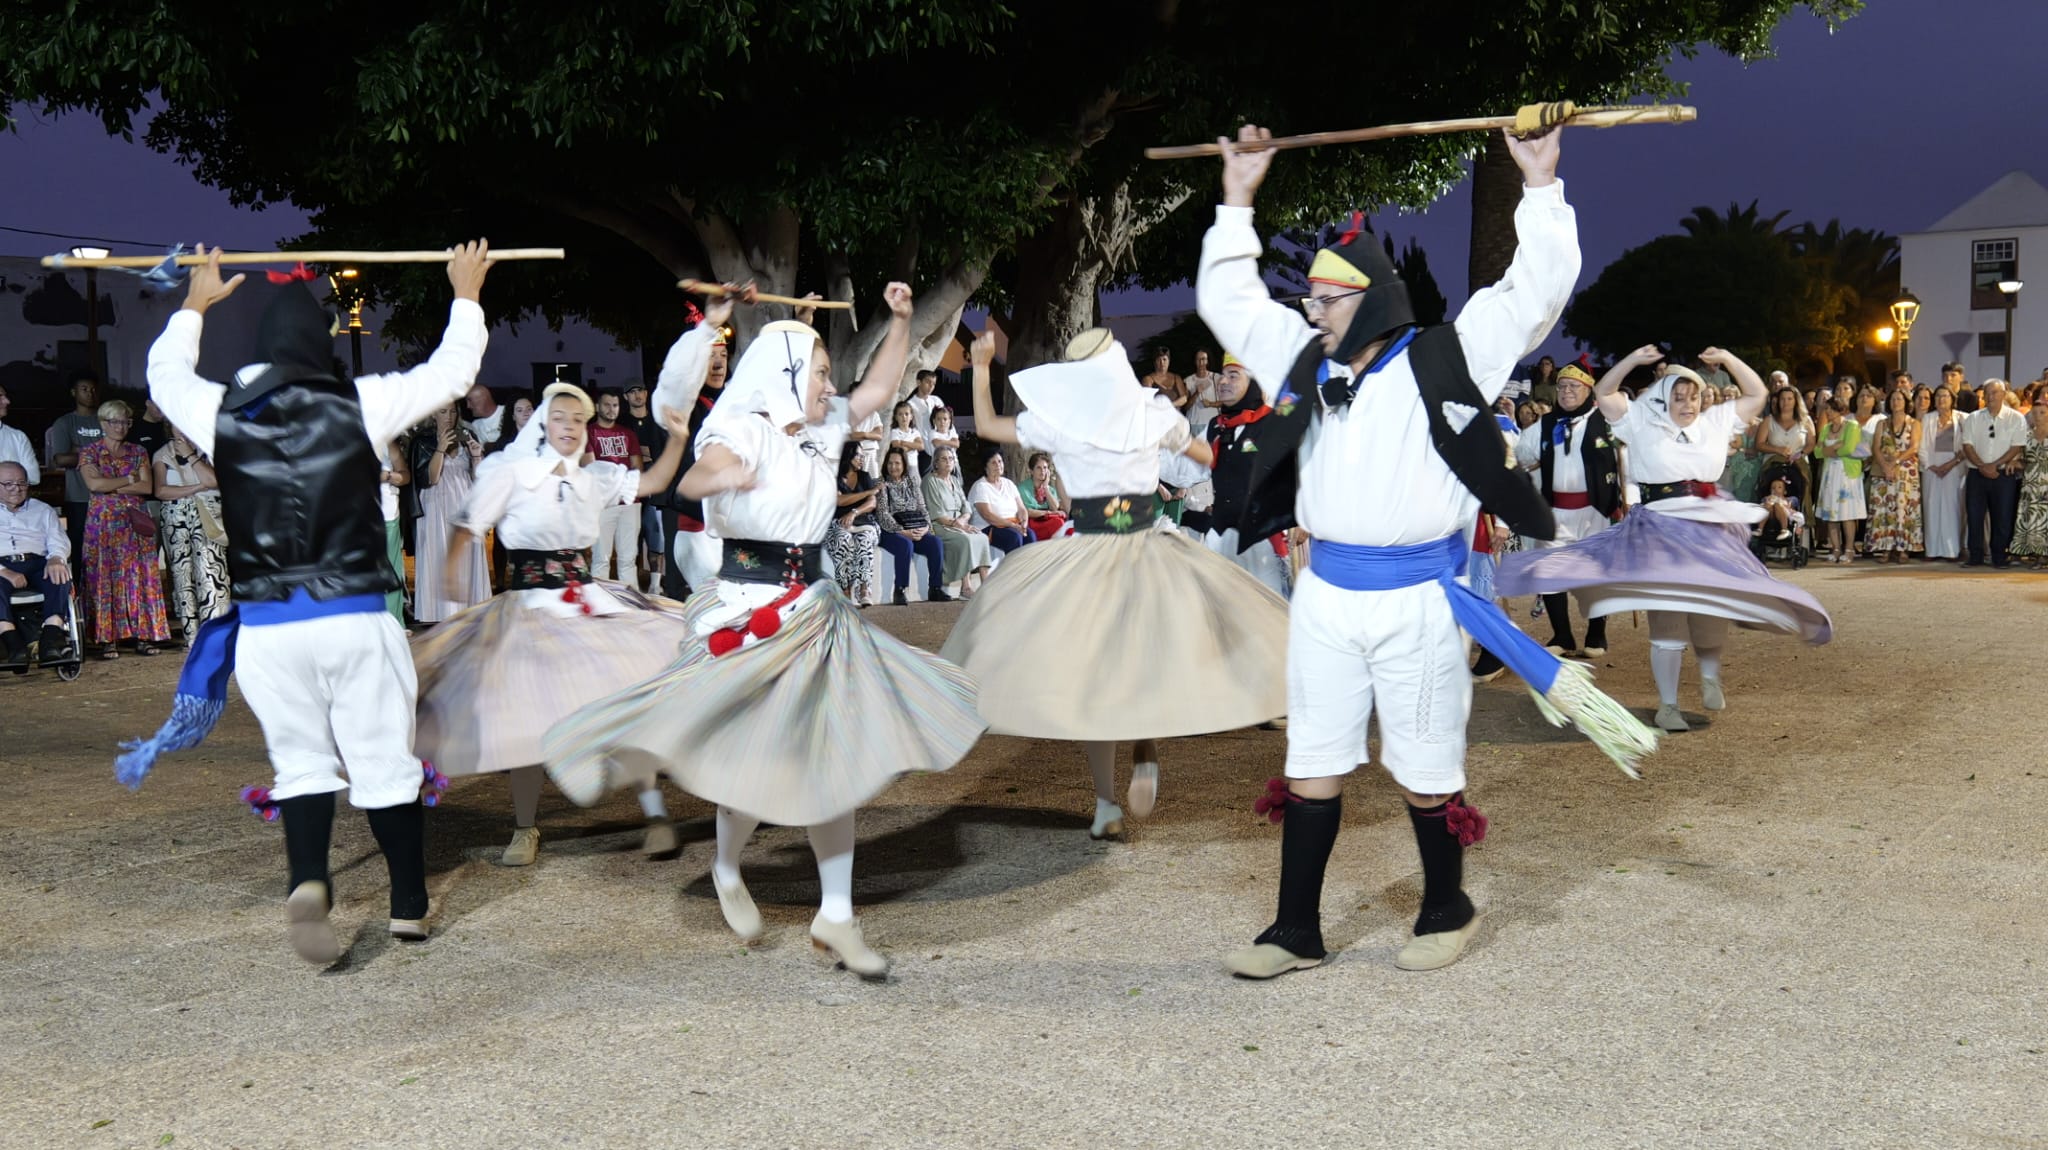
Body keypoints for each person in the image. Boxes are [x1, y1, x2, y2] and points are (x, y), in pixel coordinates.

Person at [1196, 120, 1652, 981]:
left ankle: (1448, 906)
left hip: (1419, 598)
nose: (1309, 313)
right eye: (1308, 304)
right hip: (1325, 594)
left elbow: (1533, 292)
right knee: (1313, 758)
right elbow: (1231, 303)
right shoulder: (1304, 362)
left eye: (1324, 302)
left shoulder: (1449, 356)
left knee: (1424, 763)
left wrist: (1541, 184)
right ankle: (1296, 929)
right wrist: (1238, 199)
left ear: (1366, 298)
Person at [541, 284, 985, 980]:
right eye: (816, 372)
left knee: (825, 756)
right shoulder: (740, 428)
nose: (829, 384)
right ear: (782, 374)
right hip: (747, 608)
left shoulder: (826, 424)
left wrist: (901, 321)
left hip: (815, 606)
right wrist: (727, 474)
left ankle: (835, 916)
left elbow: (879, 385)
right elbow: (694, 480)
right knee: (758, 758)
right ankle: (725, 867)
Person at [125, 242, 493, 963]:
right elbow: (452, 373)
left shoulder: (217, 412)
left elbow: (162, 374)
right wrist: (467, 290)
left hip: (268, 629)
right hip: (354, 618)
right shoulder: (358, 401)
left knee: (300, 763)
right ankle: (409, 905)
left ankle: (309, 881)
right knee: (385, 762)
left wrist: (196, 303)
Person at [941, 327, 1288, 839]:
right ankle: (1111, 795)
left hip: (1126, 548)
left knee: (1122, 665)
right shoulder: (1139, 412)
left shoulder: (1110, 415)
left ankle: (1136, 761)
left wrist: (983, 365)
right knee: (1109, 672)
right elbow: (1207, 456)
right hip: (1111, 549)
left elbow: (990, 424)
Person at [412, 379, 697, 865]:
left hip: (587, 601)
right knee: (527, 719)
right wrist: (451, 581)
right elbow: (467, 524)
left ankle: (654, 815)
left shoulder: (593, 476)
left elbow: (650, 483)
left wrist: (677, 439)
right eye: (561, 419)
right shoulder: (512, 472)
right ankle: (525, 829)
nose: (570, 428)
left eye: (579, 420)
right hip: (529, 609)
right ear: (544, 423)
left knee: (622, 702)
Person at [1501, 346, 1831, 735]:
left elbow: (1757, 394)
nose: (1687, 402)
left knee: (1710, 605)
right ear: (1663, 396)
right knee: (1667, 614)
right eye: (1677, 395)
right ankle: (1668, 704)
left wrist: (1726, 359)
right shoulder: (1641, 420)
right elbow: (1605, 394)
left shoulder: (1715, 420)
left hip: (1709, 524)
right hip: (1659, 524)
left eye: (1693, 395)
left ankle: (1709, 674)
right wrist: (1630, 362)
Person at [1512, 362, 1620, 658]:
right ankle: (1563, 635)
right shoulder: (1544, 425)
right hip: (1555, 511)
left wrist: (1628, 501)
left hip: (1595, 510)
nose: (1567, 391)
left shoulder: (1607, 421)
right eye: (1561, 386)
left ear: (1588, 391)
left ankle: (1596, 634)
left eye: (1574, 386)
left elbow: (1627, 462)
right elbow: (1522, 454)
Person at [78, 399, 170, 657]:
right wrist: (127, 479)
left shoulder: (138, 451)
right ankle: (107, 639)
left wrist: (112, 485)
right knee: (104, 576)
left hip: (134, 522)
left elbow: (146, 487)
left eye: (125, 421)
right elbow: (93, 485)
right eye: (114, 421)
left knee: (138, 575)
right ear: (103, 423)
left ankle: (143, 635)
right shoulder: (90, 452)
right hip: (103, 524)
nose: (120, 426)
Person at [1200, 353, 1291, 596]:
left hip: (1260, 547)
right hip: (1220, 541)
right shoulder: (1215, 427)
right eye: (1222, 376)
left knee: (1267, 615)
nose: (1223, 382)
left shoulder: (1275, 424)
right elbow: (1184, 469)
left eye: (1233, 375)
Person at [411, 405, 492, 623]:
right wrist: (439, 449)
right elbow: (430, 479)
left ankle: (470, 610)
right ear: (433, 413)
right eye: (444, 412)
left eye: (453, 412)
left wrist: (476, 457)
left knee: (467, 554)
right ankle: (441, 615)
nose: (450, 416)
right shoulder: (423, 441)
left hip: (464, 502)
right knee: (440, 553)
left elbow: (478, 479)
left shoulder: (467, 437)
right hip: (437, 504)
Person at [152, 424, 230, 644]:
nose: (183, 431)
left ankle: (216, 634)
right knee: (181, 574)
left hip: (207, 515)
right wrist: (197, 488)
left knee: (210, 571)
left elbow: (214, 481)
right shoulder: (162, 453)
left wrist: (190, 456)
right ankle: (192, 637)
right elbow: (161, 491)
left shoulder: (208, 447)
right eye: (178, 426)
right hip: (175, 518)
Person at [0, 461, 75, 667]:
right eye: (8, 484)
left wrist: (56, 558)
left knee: (60, 574)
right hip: (2, 565)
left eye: (21, 483)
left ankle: (49, 639)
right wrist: (5, 571)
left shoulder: (42, 510)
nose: (16, 488)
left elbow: (57, 539)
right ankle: (14, 645)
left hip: (37, 561)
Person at [45, 370, 105, 593]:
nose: (90, 393)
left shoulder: (106, 418)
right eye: (84, 389)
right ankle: (82, 598)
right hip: (79, 498)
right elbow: (61, 458)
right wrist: (98, 451)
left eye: (93, 389)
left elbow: (116, 456)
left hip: (110, 497)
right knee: (80, 551)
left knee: (108, 551)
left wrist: (80, 451)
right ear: (73, 392)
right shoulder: (65, 423)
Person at [1960, 379, 2028, 567]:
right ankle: (1975, 556)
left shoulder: (2016, 418)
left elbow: (2016, 446)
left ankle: (1999, 556)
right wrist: (1982, 465)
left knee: (2002, 517)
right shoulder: (1973, 418)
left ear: (2003, 394)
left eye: (1994, 393)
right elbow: (1967, 445)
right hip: (1976, 473)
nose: (1990, 397)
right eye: (1987, 393)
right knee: (1974, 516)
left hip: (2003, 475)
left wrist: (1995, 465)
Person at [876, 444, 949, 604]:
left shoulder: (912, 482)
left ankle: (935, 589)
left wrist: (925, 529)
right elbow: (883, 514)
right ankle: (900, 590)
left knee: (936, 543)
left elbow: (922, 508)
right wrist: (902, 531)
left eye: (897, 463)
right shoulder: (882, 484)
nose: (893, 467)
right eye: (890, 463)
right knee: (905, 545)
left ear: (904, 465)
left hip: (916, 530)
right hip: (891, 532)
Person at [585, 390, 644, 590]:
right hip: (603, 504)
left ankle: (632, 603)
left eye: (615, 405)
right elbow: (592, 469)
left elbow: (637, 468)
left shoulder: (628, 434)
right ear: (597, 407)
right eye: (607, 405)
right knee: (601, 558)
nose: (612, 409)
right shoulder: (588, 432)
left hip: (629, 502)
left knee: (628, 559)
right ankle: (599, 604)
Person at [922, 444, 992, 597]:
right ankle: (965, 587)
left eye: (951, 459)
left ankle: (985, 584)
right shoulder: (930, 481)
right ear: (936, 463)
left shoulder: (954, 480)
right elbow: (937, 513)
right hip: (940, 525)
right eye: (944, 459)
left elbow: (966, 507)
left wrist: (963, 520)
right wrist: (958, 525)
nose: (948, 462)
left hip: (960, 523)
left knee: (982, 537)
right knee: (965, 540)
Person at [621, 378, 668, 592]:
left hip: (654, 488)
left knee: (655, 534)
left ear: (647, 394)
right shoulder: (622, 424)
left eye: (640, 390)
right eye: (632, 392)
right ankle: (633, 584)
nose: (637, 395)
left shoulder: (658, 422)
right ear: (625, 397)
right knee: (630, 540)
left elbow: (665, 454)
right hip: (628, 490)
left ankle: (655, 585)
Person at [1866, 388, 1922, 562]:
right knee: (1884, 509)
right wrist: (1885, 466)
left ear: (1906, 402)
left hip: (1905, 472)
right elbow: (1876, 447)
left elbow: (1914, 447)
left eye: (1899, 399)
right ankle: (1885, 548)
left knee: (1903, 509)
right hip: (1884, 471)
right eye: (1893, 399)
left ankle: (1903, 549)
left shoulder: (1914, 423)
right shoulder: (1882, 423)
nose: (1895, 402)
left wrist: (1896, 462)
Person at [828, 444, 882, 605]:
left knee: (864, 540)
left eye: (862, 456)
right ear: (848, 456)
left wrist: (854, 512)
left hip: (863, 521)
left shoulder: (864, 476)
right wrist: (866, 493)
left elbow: (872, 503)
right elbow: (838, 500)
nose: (861, 459)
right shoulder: (834, 477)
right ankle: (844, 588)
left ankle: (864, 589)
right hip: (838, 523)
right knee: (843, 541)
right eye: (858, 455)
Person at [1814, 396, 1866, 562]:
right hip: (1830, 474)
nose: (1826, 412)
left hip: (1846, 475)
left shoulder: (1852, 426)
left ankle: (1849, 549)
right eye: (1826, 409)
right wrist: (1835, 447)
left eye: (1829, 409)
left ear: (1838, 409)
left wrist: (1829, 450)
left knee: (1847, 514)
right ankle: (1836, 548)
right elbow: (1817, 452)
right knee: (1831, 513)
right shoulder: (1826, 428)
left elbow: (1849, 448)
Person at [1920, 385, 1967, 561]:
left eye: (1945, 396)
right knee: (1931, 507)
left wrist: (1951, 464)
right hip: (1931, 468)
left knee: (1952, 508)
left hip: (1954, 467)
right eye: (1938, 396)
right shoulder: (1927, 419)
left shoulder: (1962, 418)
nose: (1941, 399)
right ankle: (1932, 550)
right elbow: (1922, 445)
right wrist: (1931, 465)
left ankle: (1951, 550)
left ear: (1952, 399)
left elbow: (1966, 445)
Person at [1754, 385, 1812, 503]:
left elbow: (1811, 443)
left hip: (1798, 466)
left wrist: (1800, 455)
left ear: (1796, 401)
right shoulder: (1769, 421)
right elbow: (1759, 444)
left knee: (1799, 494)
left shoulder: (1805, 421)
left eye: (1789, 399)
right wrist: (1777, 449)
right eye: (1782, 399)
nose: (1786, 402)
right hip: (1773, 466)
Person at [2009, 404, 2048, 565]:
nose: (2038, 416)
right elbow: (2019, 458)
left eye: (2042, 413)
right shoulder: (2026, 435)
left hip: (2046, 481)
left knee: (2044, 517)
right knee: (2028, 514)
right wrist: (2013, 463)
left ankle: (2043, 555)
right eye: (2034, 413)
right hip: (2030, 481)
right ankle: (2022, 550)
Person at [970, 452, 1030, 553]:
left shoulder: (1008, 483)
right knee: (1014, 538)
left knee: (1030, 536)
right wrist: (1013, 525)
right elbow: (988, 516)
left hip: (1012, 523)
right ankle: (1012, 568)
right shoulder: (980, 486)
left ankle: (1028, 568)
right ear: (985, 467)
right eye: (993, 463)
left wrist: (1024, 523)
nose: (998, 465)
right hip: (989, 527)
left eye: (1000, 461)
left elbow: (1021, 508)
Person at [1017, 452, 1069, 540]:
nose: (1042, 471)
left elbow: (1055, 508)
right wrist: (1049, 513)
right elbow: (1028, 512)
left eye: (1045, 468)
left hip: (1048, 520)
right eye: (1038, 468)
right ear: (1031, 471)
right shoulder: (1022, 488)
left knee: (1063, 522)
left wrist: (1045, 487)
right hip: (1032, 521)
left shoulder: (1050, 489)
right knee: (1058, 523)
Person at [0, 384, 38, 486]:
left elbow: (34, 477)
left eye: (5, 396)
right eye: (0, 396)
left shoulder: (18, 437)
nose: (7, 401)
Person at [464, 384, 519, 453]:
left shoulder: (509, 412)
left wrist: (487, 446)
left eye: (470, 400)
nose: (468, 406)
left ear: (482, 399)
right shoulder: (475, 425)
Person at [886, 399, 927, 477]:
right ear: (896, 417)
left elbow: (921, 446)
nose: (903, 417)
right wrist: (914, 445)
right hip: (901, 467)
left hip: (914, 466)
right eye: (900, 414)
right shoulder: (895, 432)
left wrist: (905, 443)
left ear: (911, 416)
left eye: (906, 414)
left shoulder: (915, 432)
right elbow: (898, 449)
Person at [1142, 348, 1190, 412]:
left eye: (1164, 359)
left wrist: (1169, 405)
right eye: (1159, 360)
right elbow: (1147, 402)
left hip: (1175, 417)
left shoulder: (1176, 378)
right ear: (1155, 362)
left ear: (1169, 361)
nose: (1162, 363)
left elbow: (1184, 398)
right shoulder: (1148, 379)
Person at [1185, 349, 1222, 429]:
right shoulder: (1188, 380)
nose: (1201, 362)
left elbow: (1226, 402)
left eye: (1203, 359)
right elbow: (1185, 407)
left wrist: (1211, 404)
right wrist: (1196, 393)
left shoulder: (1216, 378)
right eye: (1198, 359)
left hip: (1213, 423)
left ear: (1207, 361)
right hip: (1194, 424)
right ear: (1195, 361)